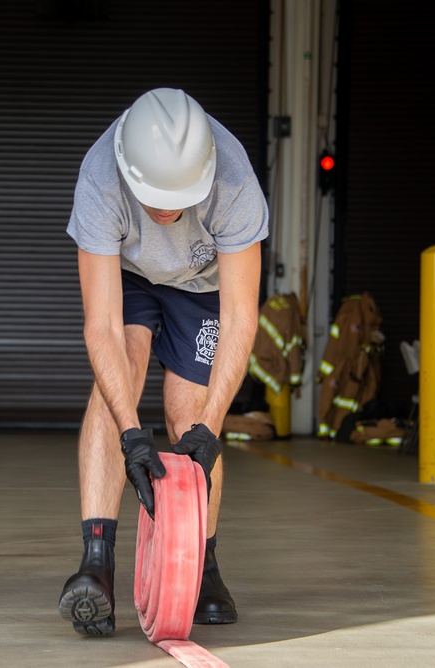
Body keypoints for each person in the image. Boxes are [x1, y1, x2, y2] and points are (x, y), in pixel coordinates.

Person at [59, 88, 269, 636]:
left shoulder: (235, 181)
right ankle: (96, 563)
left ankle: (205, 566)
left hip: (201, 287)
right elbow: (100, 326)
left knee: (186, 410)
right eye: (155, 199)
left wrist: (211, 427)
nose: (167, 212)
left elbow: (241, 318)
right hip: (128, 277)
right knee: (119, 377)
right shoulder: (101, 179)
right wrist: (131, 433)